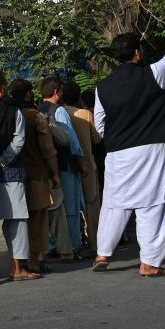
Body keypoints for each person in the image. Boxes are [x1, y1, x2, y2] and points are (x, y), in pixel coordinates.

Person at [93, 0, 165, 276]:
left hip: (117, 151)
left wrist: (118, 137)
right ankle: (149, 263)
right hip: (152, 146)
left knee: (115, 202)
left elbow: (99, 124)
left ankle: (103, 254)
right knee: (153, 202)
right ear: (137, 53)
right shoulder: (154, 74)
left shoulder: (102, 88)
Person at [0, 71, 41, 281]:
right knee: (17, 221)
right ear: (1, 88)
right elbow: (18, 141)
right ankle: (17, 268)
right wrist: (1, 162)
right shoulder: (15, 111)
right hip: (11, 173)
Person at [8, 79, 60, 272]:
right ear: (29, 95)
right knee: (37, 218)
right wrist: (55, 174)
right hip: (36, 174)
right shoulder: (35, 116)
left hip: (12, 176)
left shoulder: (9, 114)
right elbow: (48, 150)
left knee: (18, 220)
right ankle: (35, 260)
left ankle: (17, 260)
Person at [39, 77, 87, 260]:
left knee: (53, 209)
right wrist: (82, 162)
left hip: (47, 168)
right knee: (71, 209)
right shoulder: (58, 110)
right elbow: (71, 140)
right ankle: (73, 245)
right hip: (65, 166)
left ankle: (52, 245)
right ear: (57, 93)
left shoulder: (37, 109)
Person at [61, 80, 101, 257]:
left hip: (67, 167)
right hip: (87, 164)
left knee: (69, 208)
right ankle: (95, 244)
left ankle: (70, 243)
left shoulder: (58, 114)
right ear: (78, 97)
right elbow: (97, 139)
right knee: (91, 206)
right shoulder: (85, 114)